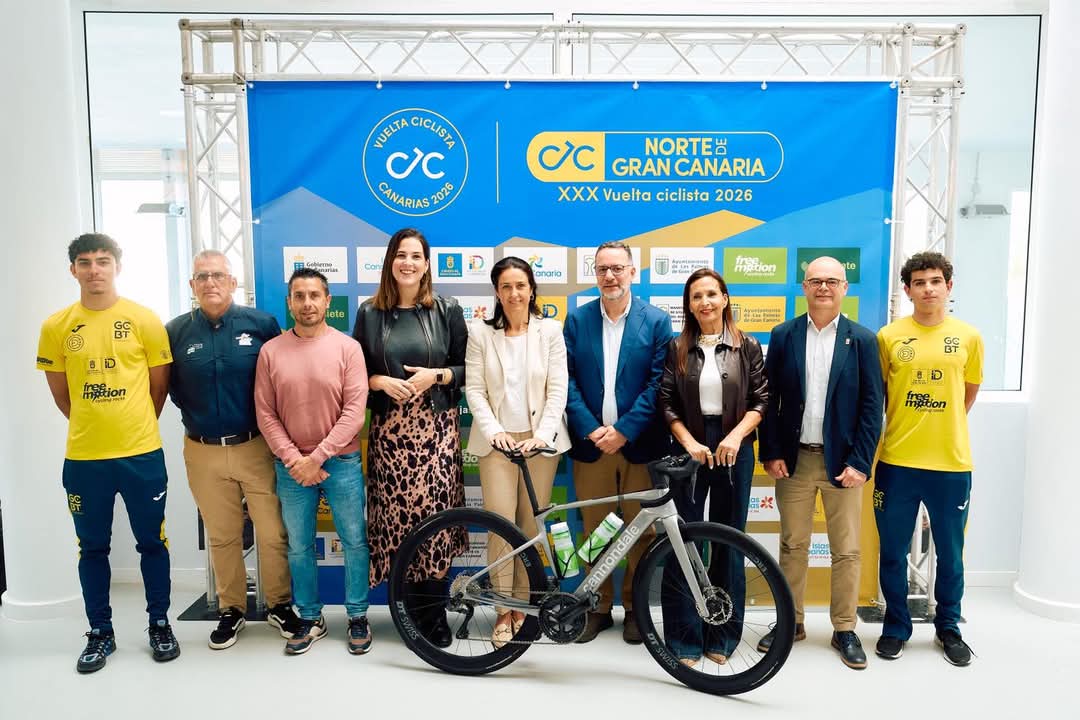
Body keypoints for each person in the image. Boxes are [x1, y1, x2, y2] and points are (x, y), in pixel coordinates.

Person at [36, 233, 179, 673]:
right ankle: (100, 632)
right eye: (85, 262)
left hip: (141, 455)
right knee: (92, 548)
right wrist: (95, 426)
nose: (94, 269)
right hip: (85, 459)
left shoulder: (144, 319)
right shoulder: (56, 326)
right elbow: (62, 397)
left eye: (103, 260)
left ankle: (159, 624)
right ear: (73, 270)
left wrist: (132, 426)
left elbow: (159, 389)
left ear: (118, 266)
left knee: (152, 542)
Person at [166, 249, 301, 650]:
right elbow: (172, 389)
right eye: (202, 276)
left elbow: (280, 379)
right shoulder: (174, 331)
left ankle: (278, 604)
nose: (210, 282)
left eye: (218, 275)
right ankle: (231, 609)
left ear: (233, 282)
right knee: (223, 535)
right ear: (192, 285)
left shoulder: (261, 324)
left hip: (255, 445)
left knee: (272, 531)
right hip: (202, 449)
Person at [758, 256, 884, 670]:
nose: (824, 287)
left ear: (845, 287)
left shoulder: (862, 340)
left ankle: (844, 628)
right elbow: (769, 399)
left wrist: (861, 462)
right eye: (815, 281)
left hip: (843, 465)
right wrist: (771, 451)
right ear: (805, 287)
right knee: (792, 544)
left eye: (832, 281)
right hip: (794, 462)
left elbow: (872, 407)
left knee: (846, 550)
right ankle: (790, 623)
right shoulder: (784, 335)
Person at [352, 228, 468, 648]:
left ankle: (433, 613)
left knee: (434, 523)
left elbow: (467, 369)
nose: (408, 262)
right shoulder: (369, 313)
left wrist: (435, 376)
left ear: (426, 263)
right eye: (401, 255)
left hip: (436, 433)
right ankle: (406, 611)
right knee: (397, 523)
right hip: (390, 436)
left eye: (416, 255)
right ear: (390, 261)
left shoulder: (447, 309)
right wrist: (379, 381)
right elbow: (353, 373)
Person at [254, 268, 372, 656]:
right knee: (299, 546)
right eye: (299, 296)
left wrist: (316, 457)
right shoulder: (271, 351)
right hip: (290, 467)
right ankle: (309, 616)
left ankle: (357, 615)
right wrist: (295, 459)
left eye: (314, 295)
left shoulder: (348, 348)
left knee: (354, 541)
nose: (307, 303)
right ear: (289, 303)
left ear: (327, 301)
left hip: (341, 461)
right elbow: (265, 413)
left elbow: (355, 412)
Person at [873, 252, 983, 667]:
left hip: (951, 465)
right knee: (893, 552)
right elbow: (881, 396)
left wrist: (941, 424)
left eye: (935, 281)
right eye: (919, 282)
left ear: (948, 286)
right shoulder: (889, 337)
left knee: (951, 555)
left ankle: (948, 626)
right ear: (907, 290)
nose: (928, 289)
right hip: (897, 463)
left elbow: (967, 395)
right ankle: (895, 626)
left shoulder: (969, 337)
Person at [564, 240, 674, 644]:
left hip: (639, 444)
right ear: (595, 274)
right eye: (602, 269)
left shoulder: (657, 321)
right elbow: (566, 381)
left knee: (641, 532)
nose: (609, 276)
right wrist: (591, 427)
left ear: (632, 272)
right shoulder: (577, 320)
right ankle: (596, 606)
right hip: (591, 444)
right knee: (595, 530)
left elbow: (658, 384)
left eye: (617, 268)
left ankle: (633, 608)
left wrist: (624, 429)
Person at [657, 267, 768, 665]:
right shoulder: (676, 348)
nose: (704, 302)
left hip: (734, 446)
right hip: (689, 445)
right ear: (688, 306)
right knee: (683, 541)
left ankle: (722, 636)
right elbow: (666, 402)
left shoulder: (747, 346)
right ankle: (684, 637)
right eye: (696, 296)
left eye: (711, 294)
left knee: (729, 540)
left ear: (725, 299)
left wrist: (735, 436)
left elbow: (761, 400)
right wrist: (688, 442)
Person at [464, 256, 571, 648]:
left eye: (520, 286)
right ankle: (502, 610)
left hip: (540, 443)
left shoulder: (550, 331)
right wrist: (495, 433)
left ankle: (524, 608)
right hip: (497, 444)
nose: (514, 294)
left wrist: (541, 436)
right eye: (506, 287)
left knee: (529, 527)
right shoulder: (480, 333)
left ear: (532, 289)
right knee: (500, 525)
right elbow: (474, 390)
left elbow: (558, 389)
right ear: (497, 291)